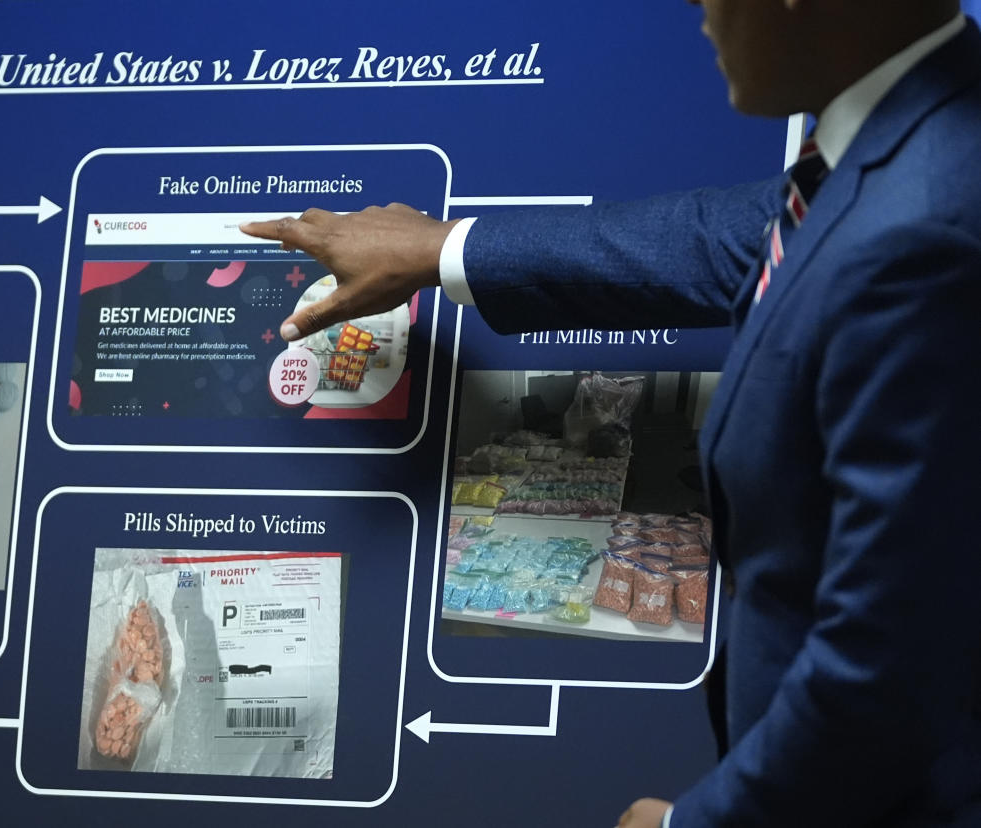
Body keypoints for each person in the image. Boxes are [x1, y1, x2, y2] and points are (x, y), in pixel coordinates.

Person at [242, 1, 981, 825]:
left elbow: (891, 657)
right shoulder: (908, 141)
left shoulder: (931, 228)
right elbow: (712, 237)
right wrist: (444, 248)